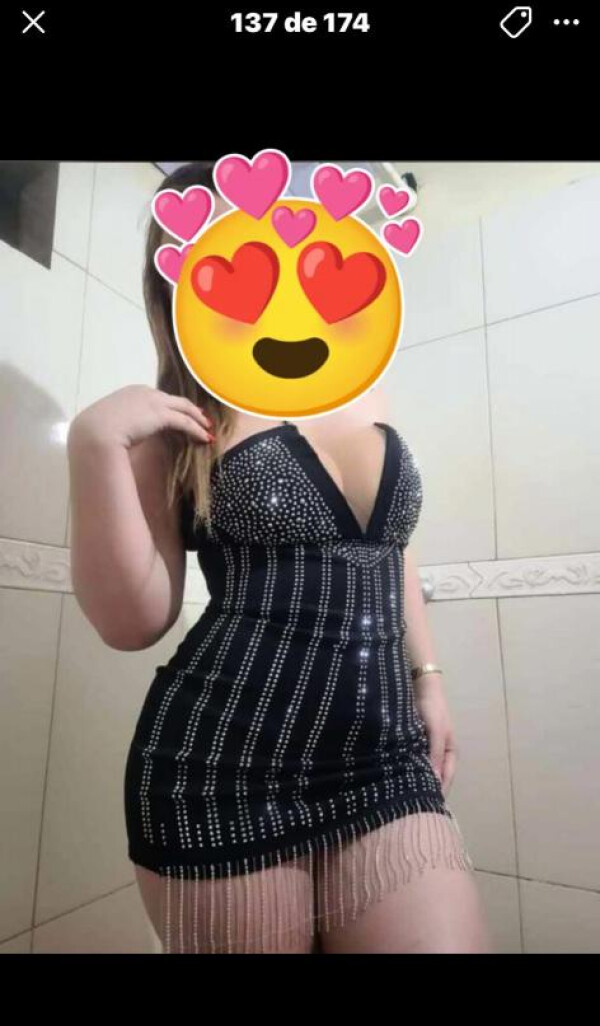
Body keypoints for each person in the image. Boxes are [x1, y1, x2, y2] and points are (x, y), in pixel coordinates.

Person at [67, 161, 493, 954]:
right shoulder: (179, 418)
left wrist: (428, 677)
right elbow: (134, 622)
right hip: (225, 766)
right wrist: (95, 444)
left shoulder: (359, 384)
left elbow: (388, 545)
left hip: (386, 759)